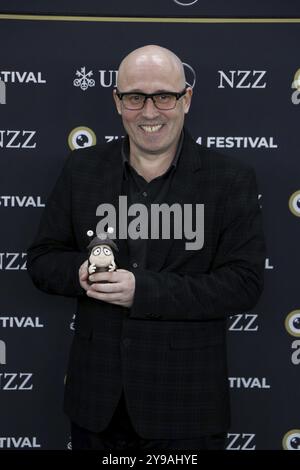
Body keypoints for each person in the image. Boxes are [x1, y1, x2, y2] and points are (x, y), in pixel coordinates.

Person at [27, 45, 265, 450]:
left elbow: (244, 284)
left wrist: (142, 290)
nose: (150, 112)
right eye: (135, 97)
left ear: (186, 99)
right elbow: (42, 258)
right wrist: (79, 273)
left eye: (164, 96)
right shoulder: (81, 169)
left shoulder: (230, 180)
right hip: (95, 405)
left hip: (186, 407)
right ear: (117, 101)